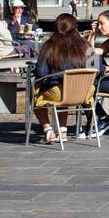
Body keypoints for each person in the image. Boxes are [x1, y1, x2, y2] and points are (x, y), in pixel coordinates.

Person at [32, 13, 95, 143]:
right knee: (62, 89)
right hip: (84, 93)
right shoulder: (87, 45)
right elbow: (97, 68)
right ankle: (62, 131)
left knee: (35, 93)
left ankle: (48, 130)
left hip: (60, 93)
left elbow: (41, 73)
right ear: (75, 27)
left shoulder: (49, 46)